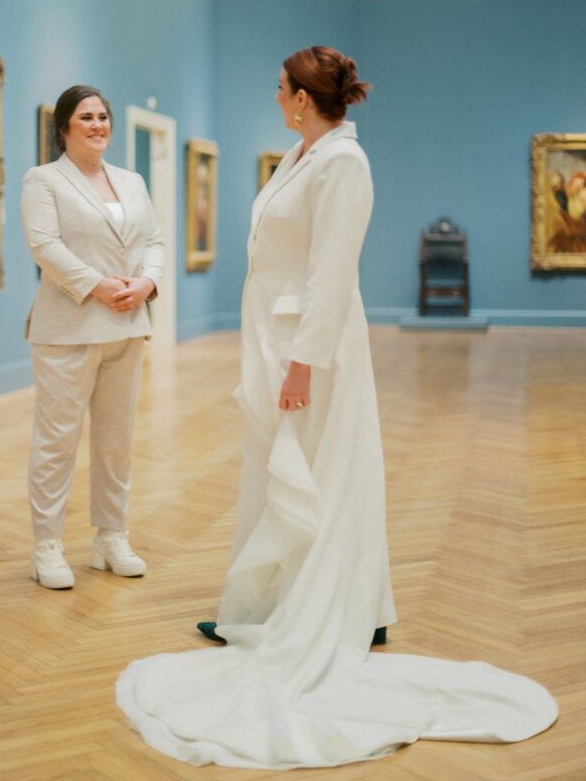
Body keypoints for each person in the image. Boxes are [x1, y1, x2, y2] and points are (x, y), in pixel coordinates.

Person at [116, 47, 557, 770]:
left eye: (280, 88)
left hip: (309, 350)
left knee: (319, 472)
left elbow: (330, 271)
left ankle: (339, 613)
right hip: (276, 340)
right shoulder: (303, 156)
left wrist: (303, 364)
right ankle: (262, 611)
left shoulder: (344, 165)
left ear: (299, 97)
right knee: (275, 471)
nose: (275, 95)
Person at [21, 85, 164, 590]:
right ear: (64, 128)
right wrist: (99, 286)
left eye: (104, 116)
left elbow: (154, 241)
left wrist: (147, 282)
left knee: (116, 441)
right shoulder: (44, 180)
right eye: (87, 117)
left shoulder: (132, 181)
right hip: (68, 329)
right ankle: (47, 544)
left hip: (127, 324)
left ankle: (110, 537)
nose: (99, 124)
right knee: (58, 441)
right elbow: (44, 244)